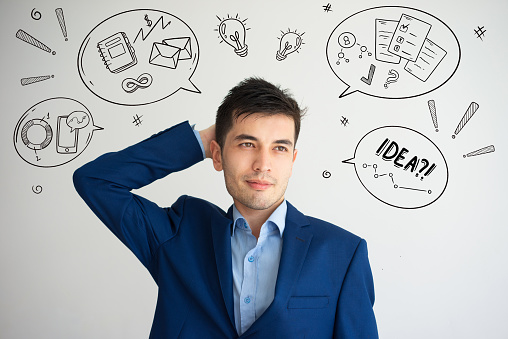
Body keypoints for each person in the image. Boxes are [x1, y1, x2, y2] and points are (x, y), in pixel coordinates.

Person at [73, 77, 378, 338]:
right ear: (218, 156)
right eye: (247, 144)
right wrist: (201, 142)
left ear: (292, 161)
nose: (263, 164)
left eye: (279, 148)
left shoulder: (343, 253)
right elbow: (95, 181)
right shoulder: (178, 236)